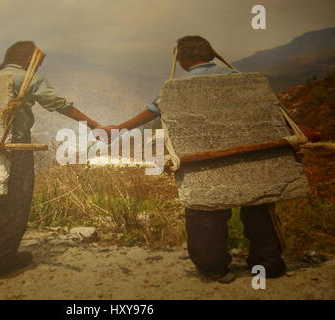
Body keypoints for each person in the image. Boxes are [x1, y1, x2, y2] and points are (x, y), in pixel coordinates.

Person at [102, 35, 287, 283]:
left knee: (205, 213)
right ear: (210, 54)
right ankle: (269, 264)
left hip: (202, 161)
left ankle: (214, 268)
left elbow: (151, 112)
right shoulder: (240, 78)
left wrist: (118, 129)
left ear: (183, 59)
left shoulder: (175, 88)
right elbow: (271, 110)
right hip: (248, 156)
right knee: (258, 208)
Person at [0, 41, 102, 289]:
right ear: (28, 60)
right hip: (13, 149)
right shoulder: (26, 79)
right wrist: (93, 124)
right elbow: (59, 104)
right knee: (11, 202)